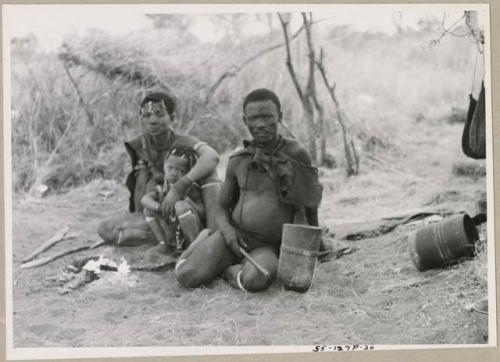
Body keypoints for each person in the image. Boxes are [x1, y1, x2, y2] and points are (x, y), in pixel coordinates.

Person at [175, 88, 323, 292]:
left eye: (267, 117)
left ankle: (228, 271)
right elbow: (220, 208)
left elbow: (311, 206)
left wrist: (317, 247)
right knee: (187, 276)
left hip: (267, 245)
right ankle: (212, 248)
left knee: (256, 279)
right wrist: (228, 234)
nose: (261, 124)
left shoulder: (296, 153)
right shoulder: (238, 160)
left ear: (279, 117)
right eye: (254, 118)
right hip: (233, 236)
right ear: (245, 120)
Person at [97, 92, 220, 247]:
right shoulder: (142, 146)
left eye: (159, 114)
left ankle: (211, 238)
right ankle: (168, 240)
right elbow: (141, 194)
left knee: (208, 172)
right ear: (141, 119)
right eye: (147, 115)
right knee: (105, 229)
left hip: (189, 212)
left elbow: (212, 157)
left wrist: (179, 187)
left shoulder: (184, 143)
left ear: (172, 118)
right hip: (160, 213)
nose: (153, 121)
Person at [141, 146, 205, 254]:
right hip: (173, 232)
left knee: (181, 206)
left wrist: (188, 202)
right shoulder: (163, 188)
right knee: (148, 209)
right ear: (164, 166)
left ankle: (194, 248)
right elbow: (145, 199)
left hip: (190, 232)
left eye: (181, 170)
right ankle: (163, 243)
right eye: (170, 168)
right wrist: (160, 207)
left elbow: (203, 212)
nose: (174, 173)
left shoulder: (191, 188)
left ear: (189, 173)